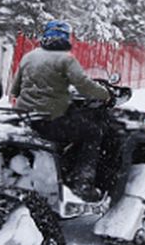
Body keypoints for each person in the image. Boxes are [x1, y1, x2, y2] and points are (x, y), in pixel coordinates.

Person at [11, 20, 111, 201]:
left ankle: (64, 168)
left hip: (25, 119)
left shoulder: (29, 57)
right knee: (93, 131)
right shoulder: (65, 59)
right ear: (66, 37)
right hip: (50, 122)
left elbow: (15, 90)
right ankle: (82, 181)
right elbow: (85, 85)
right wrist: (106, 95)